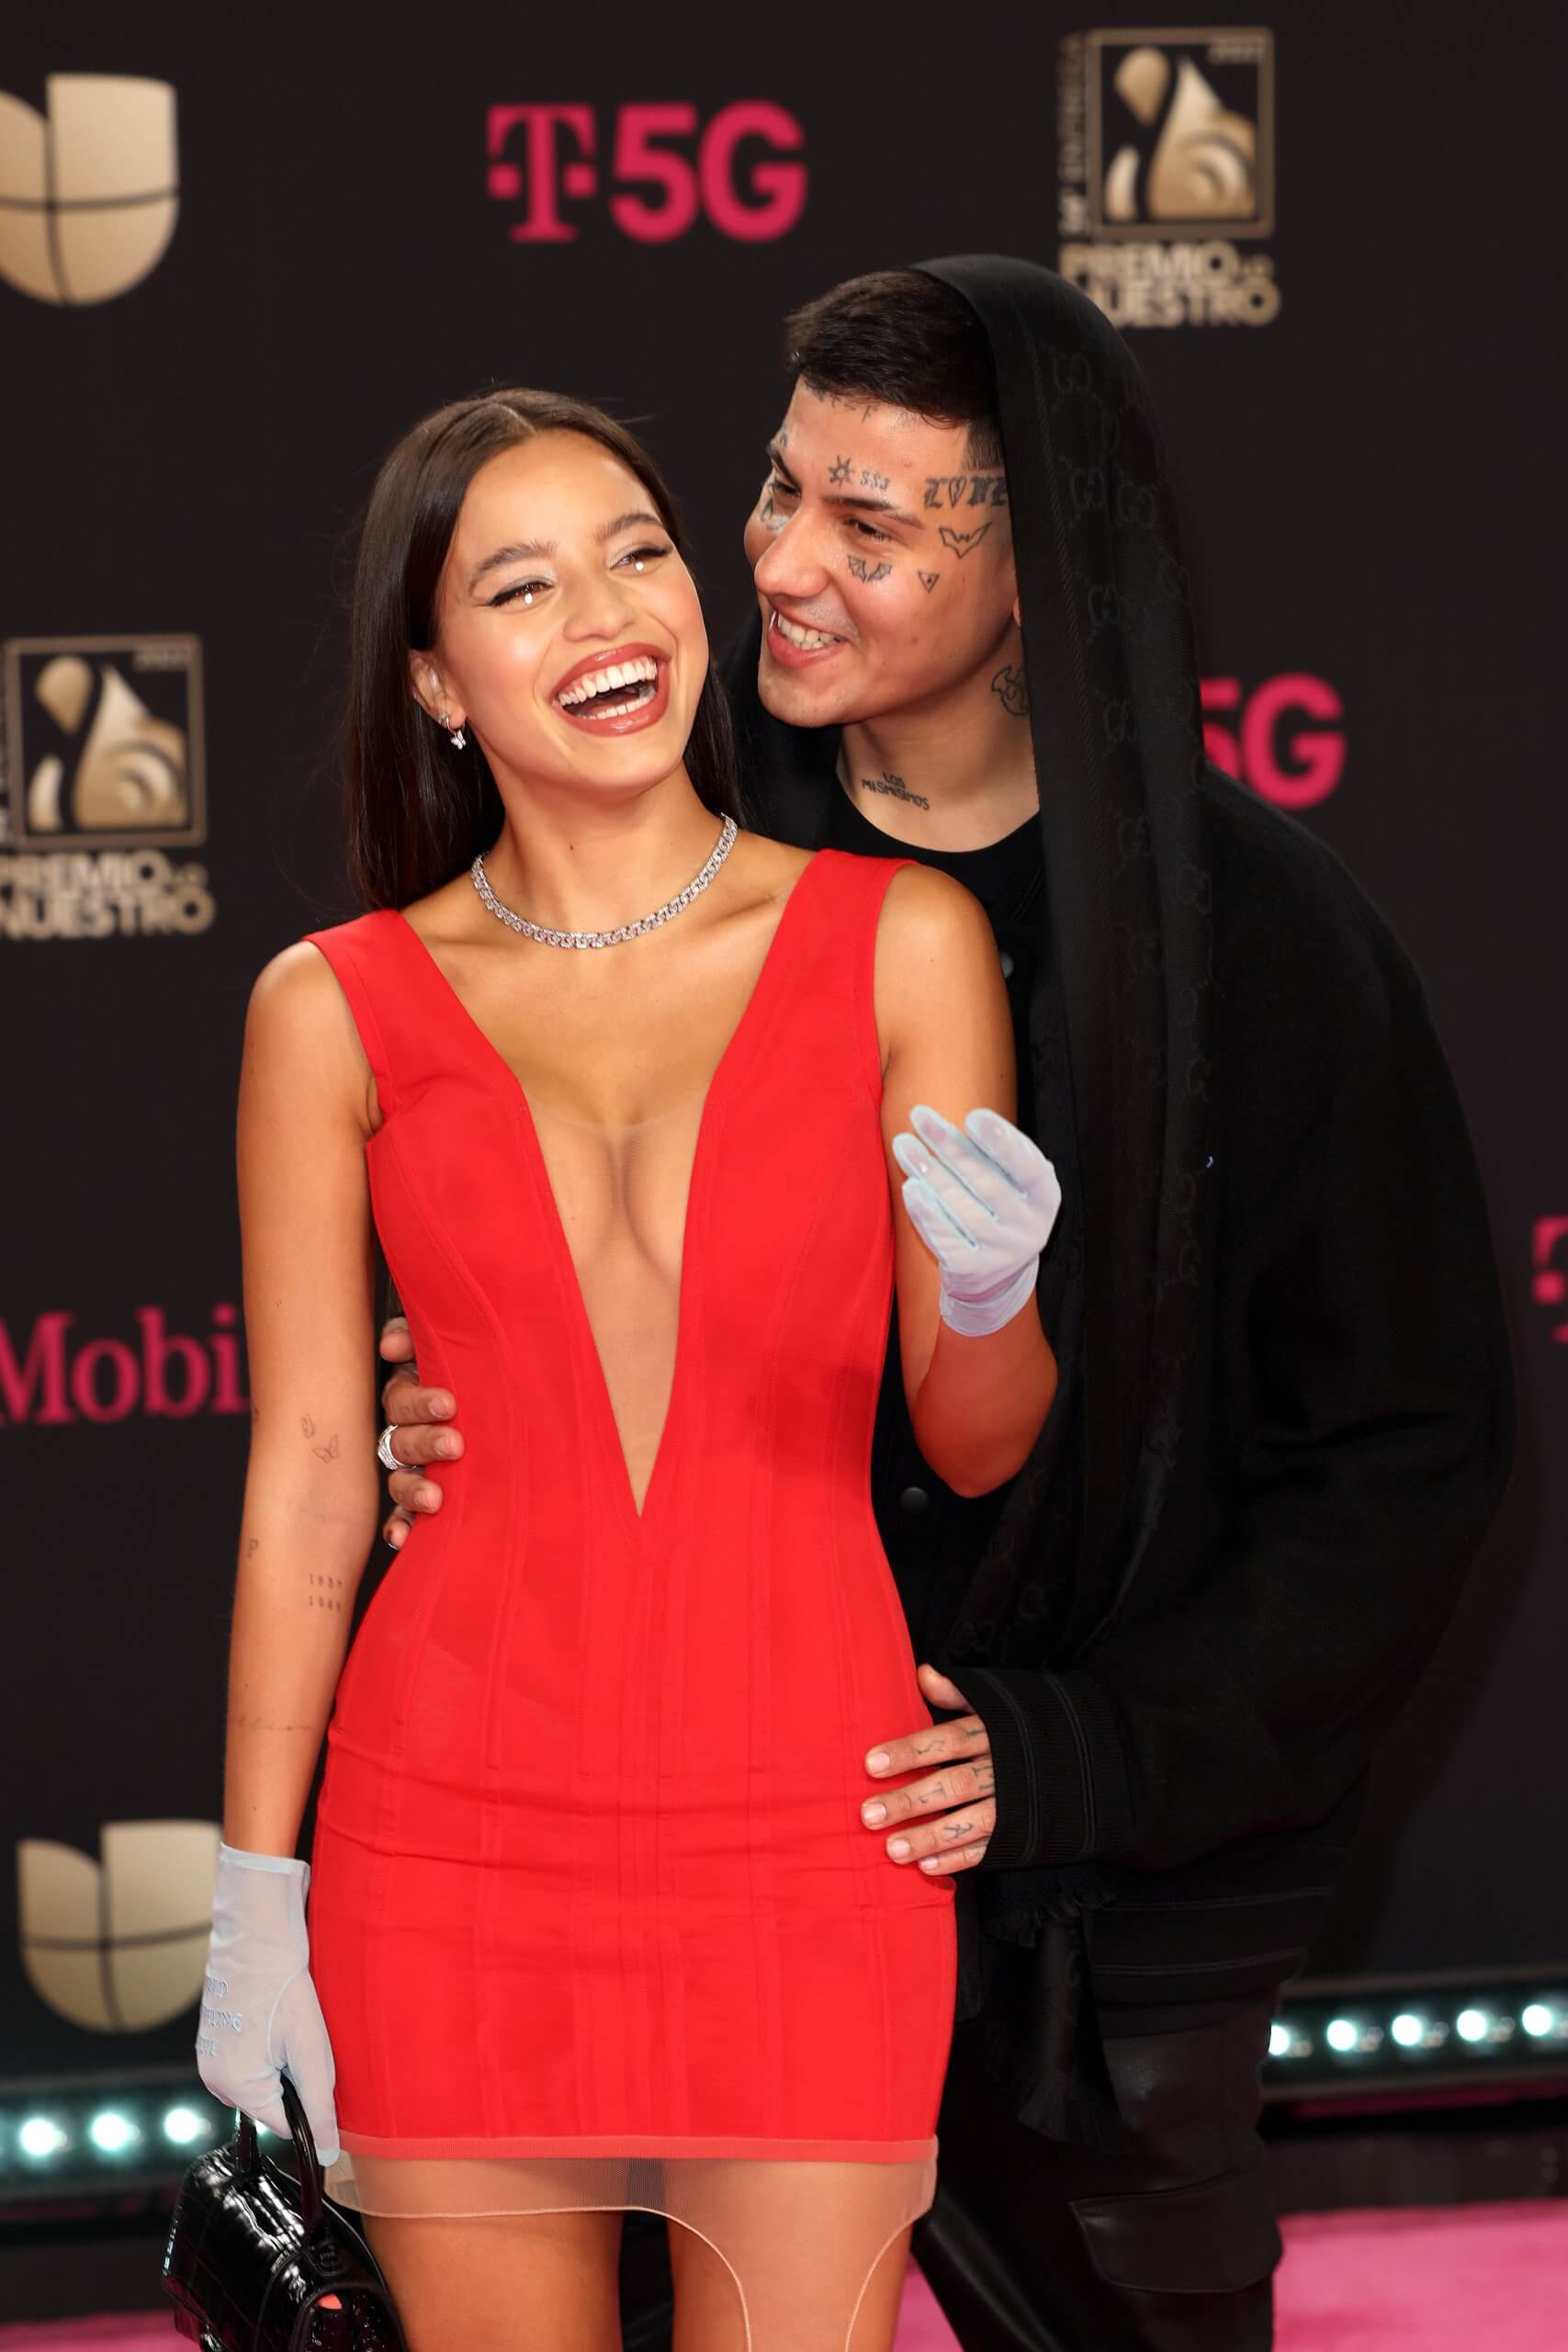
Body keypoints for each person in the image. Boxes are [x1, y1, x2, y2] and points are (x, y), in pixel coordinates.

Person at [378, 264, 1516, 2351]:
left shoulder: (1258, 941)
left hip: (1113, 1923)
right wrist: (448, 1389)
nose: (781, 567)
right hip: (690, 1842)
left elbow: (1401, 1456)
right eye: (777, 488)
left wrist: (1089, 1753)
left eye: (875, 526)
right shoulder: (660, 842)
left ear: (1031, 573)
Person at [194, 386, 1059, 2352]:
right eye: (521, 585)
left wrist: (993, 1292)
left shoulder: (901, 941)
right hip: (447, 1846)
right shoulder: (329, 1007)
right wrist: (255, 1890)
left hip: (809, 1828)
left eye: (639, 551)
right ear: (434, 680)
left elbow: (975, 1439)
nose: (606, 615)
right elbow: (313, 1473)